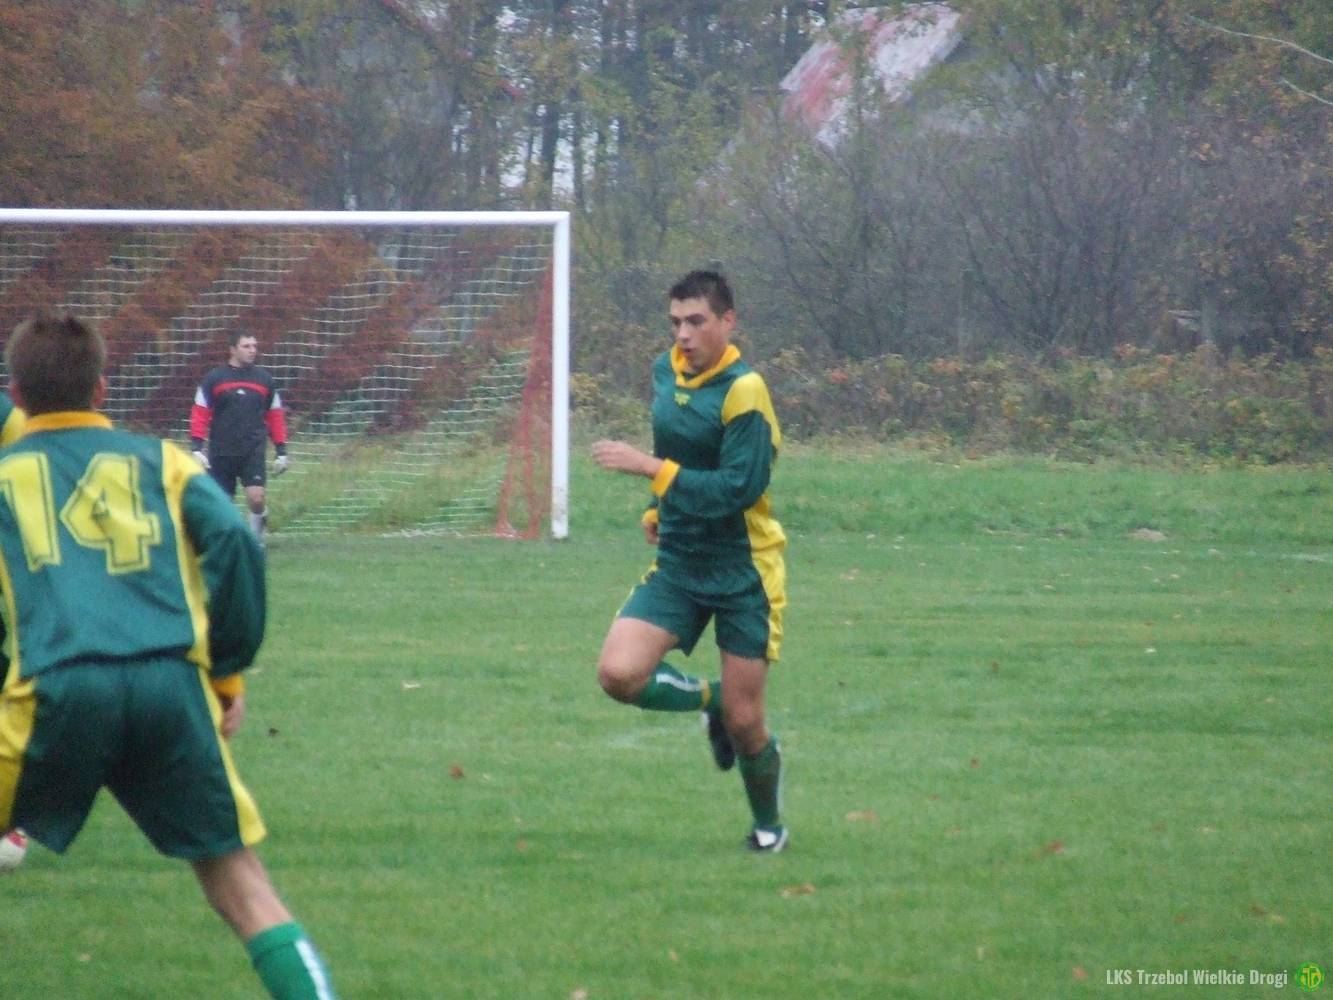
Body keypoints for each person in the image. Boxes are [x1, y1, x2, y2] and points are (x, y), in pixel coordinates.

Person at [0, 313, 336, 999]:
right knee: (241, 884)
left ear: (16, 395)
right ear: (102, 389)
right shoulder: (164, 461)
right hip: (171, 687)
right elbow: (236, 544)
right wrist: (226, 670)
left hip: (55, 688)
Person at [592, 270, 789, 853]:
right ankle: (711, 702)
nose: (683, 334)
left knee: (747, 723)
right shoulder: (665, 371)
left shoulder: (745, 389)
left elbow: (737, 488)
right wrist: (658, 506)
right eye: (676, 322)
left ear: (728, 322)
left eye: (697, 321)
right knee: (618, 674)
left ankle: (769, 828)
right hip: (679, 562)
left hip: (743, 571)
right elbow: (677, 450)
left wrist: (650, 471)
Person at [191, 332, 290, 541]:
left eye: (254, 346)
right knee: (222, 504)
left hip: (252, 449)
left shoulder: (265, 379)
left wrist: (281, 451)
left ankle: (256, 540)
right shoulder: (214, 378)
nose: (252, 350)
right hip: (221, 450)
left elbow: (275, 416)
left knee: (256, 498)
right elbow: (200, 412)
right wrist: (196, 447)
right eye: (246, 346)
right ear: (233, 349)